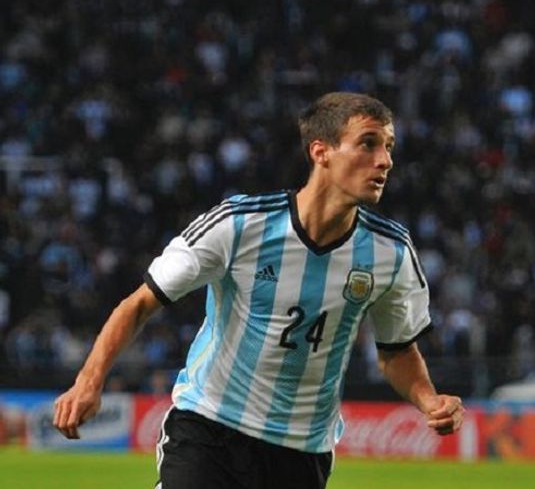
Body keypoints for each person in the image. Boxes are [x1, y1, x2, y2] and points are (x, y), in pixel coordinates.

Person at [53, 92, 465, 489]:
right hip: (211, 428)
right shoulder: (238, 225)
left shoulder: (391, 253)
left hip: (302, 451)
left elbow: (396, 351)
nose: (385, 160)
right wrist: (89, 381)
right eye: (368, 143)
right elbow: (140, 303)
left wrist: (429, 400)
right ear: (321, 152)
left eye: (389, 147)